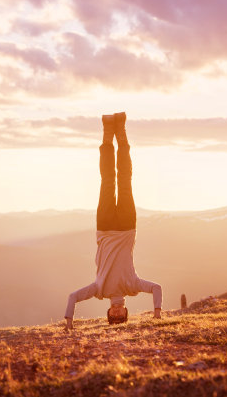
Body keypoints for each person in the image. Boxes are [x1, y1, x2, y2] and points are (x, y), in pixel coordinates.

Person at [64, 112, 162, 330]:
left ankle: (108, 132)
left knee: (108, 180)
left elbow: (72, 296)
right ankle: (122, 131)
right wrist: (157, 314)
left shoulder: (99, 290)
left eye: (113, 317)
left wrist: (69, 323)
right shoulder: (134, 287)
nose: (117, 314)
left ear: (108, 312)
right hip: (127, 227)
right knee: (125, 179)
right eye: (121, 317)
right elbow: (157, 288)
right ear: (127, 312)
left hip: (105, 227)